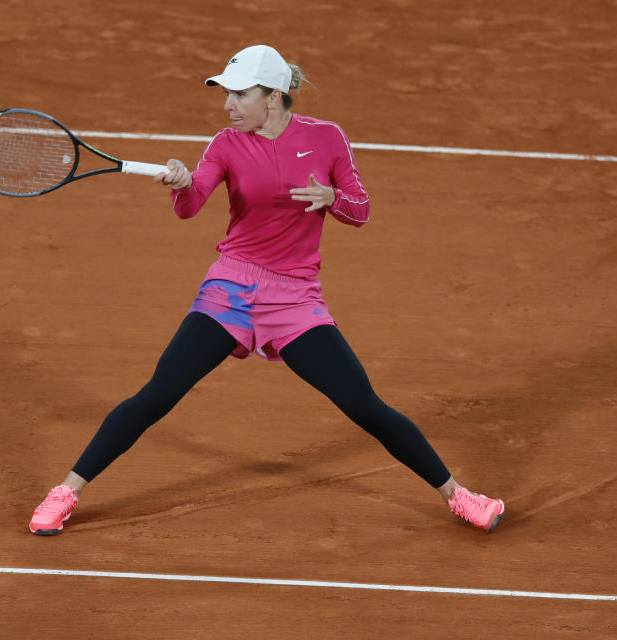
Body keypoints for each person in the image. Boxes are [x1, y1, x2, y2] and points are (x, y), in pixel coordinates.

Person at [29, 44, 504, 536]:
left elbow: (360, 209)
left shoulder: (327, 138)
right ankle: (65, 493)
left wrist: (331, 197)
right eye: (226, 94)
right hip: (231, 287)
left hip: (295, 298)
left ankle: (459, 497)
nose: (228, 104)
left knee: (364, 405)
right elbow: (191, 207)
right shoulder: (226, 144)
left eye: (240, 94)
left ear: (273, 96)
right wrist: (181, 183)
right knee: (158, 394)